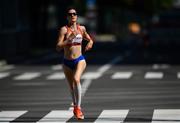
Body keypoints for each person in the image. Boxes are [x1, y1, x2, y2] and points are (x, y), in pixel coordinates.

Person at [56, 7, 93, 120]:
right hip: (67, 62)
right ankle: (75, 106)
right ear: (67, 17)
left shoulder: (82, 28)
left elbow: (89, 38)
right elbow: (58, 47)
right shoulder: (64, 30)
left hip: (79, 60)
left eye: (74, 14)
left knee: (77, 79)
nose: (72, 16)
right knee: (71, 86)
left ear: (77, 16)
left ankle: (78, 108)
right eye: (70, 14)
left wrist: (90, 42)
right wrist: (68, 40)